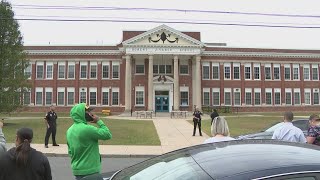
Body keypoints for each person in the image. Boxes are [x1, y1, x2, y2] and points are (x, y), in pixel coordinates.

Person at [67, 103, 112, 180]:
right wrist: (99, 121)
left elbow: (70, 151)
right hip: (91, 171)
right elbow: (107, 135)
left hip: (77, 171)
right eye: (88, 111)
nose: (91, 114)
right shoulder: (87, 129)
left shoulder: (69, 130)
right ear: (82, 113)